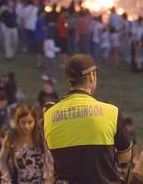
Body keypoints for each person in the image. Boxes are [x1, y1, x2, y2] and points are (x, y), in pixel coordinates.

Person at [44, 54, 132, 183]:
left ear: (69, 79)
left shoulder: (49, 115)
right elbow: (125, 157)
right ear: (91, 76)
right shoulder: (110, 112)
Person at [0, 104, 53, 184]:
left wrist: (49, 176)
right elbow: (1, 159)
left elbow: (49, 158)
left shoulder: (40, 135)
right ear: (17, 122)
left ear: (35, 120)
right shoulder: (11, 136)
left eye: (30, 122)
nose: (27, 126)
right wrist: (5, 174)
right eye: (23, 123)